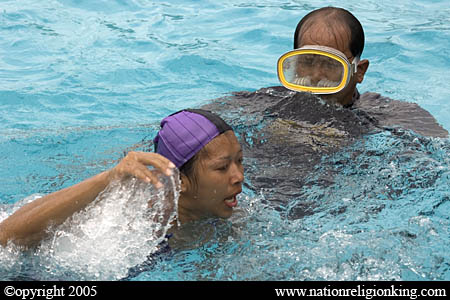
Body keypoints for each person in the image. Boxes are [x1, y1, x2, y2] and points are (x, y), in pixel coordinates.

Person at [0, 109, 244, 248]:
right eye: (222, 167)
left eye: (240, 161)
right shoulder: (124, 222)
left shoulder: (231, 218)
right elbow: (4, 238)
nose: (239, 177)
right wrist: (110, 178)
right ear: (180, 181)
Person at [277, 6, 448, 138]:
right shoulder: (270, 101)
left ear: (359, 71)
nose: (315, 75)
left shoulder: (394, 114)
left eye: (330, 65)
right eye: (307, 62)